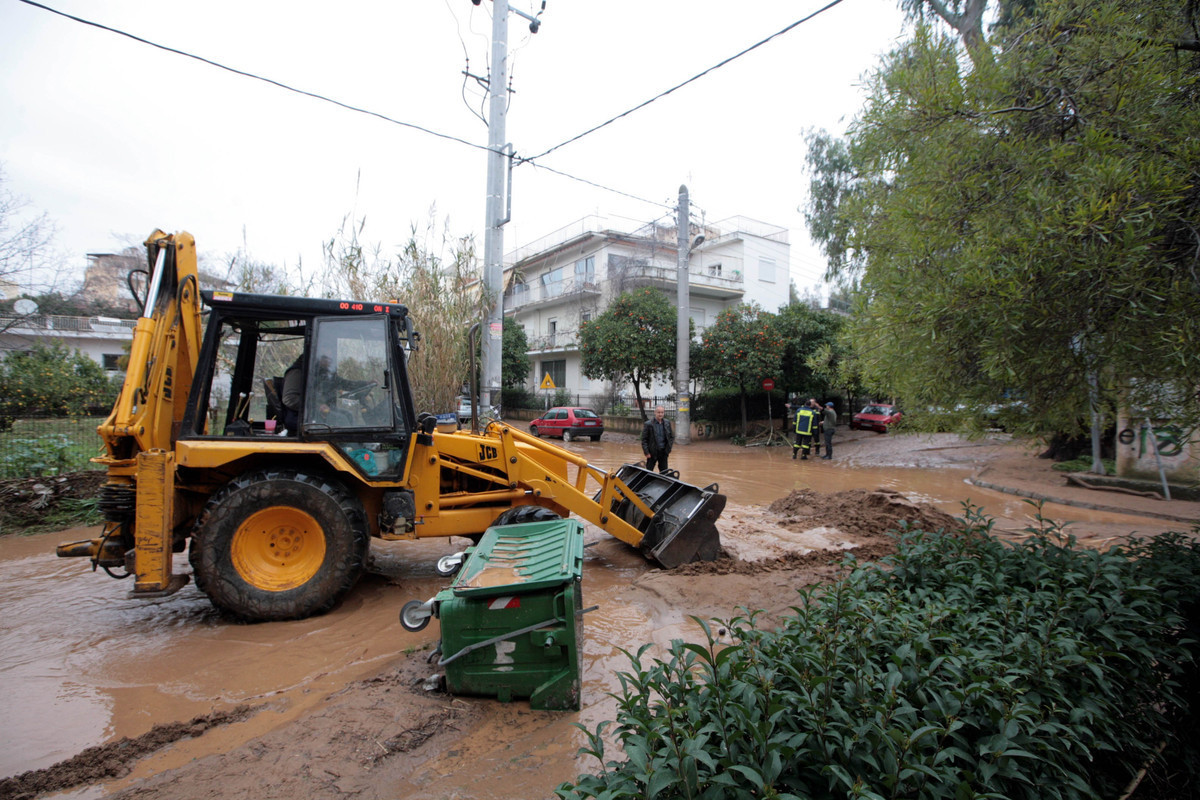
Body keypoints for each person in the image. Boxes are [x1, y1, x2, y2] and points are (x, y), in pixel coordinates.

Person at [641, 405, 675, 473]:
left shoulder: (667, 423)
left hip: (664, 452)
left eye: (662, 412)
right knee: (648, 472)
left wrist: (668, 449)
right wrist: (646, 452)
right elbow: (644, 440)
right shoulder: (648, 424)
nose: (660, 414)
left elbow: (671, 437)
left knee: (664, 472)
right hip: (652, 452)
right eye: (658, 412)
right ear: (655, 412)